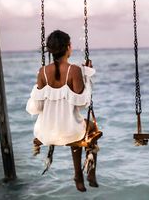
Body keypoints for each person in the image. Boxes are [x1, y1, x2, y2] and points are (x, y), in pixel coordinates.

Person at [26, 30, 99, 192]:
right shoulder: (74, 70)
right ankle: (89, 173)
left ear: (51, 50)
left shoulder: (42, 72)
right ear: (68, 47)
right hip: (70, 132)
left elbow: (36, 107)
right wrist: (87, 76)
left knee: (75, 128)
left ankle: (78, 176)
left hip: (44, 132)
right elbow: (83, 103)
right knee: (91, 128)